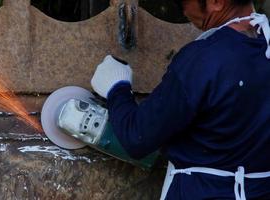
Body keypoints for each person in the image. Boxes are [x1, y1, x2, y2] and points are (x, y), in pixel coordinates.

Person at [90, 0, 270, 199]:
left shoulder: (203, 59)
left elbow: (137, 137)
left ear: (217, 1)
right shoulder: (264, 47)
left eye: (183, 2)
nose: (183, 11)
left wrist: (116, 88)